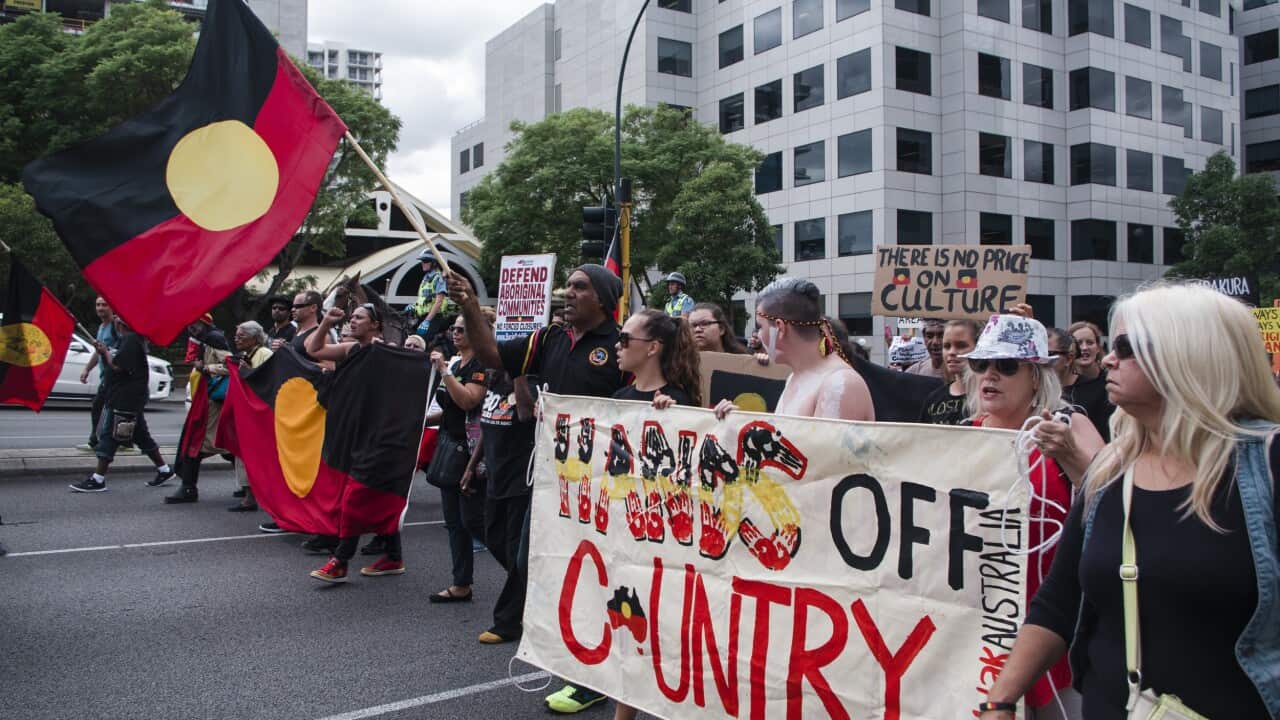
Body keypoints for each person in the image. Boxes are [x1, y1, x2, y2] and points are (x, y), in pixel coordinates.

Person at [976, 283, 1280, 720]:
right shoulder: (1111, 468)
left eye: (1126, 347)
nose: (1106, 359)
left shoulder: (1267, 465)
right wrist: (1000, 701)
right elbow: (1060, 600)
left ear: (1188, 354)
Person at [448, 263, 626, 715]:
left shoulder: (621, 345)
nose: (568, 292)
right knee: (533, 562)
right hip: (553, 478)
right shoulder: (549, 339)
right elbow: (491, 355)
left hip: (603, 485)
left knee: (593, 575)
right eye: (568, 285)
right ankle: (577, 654)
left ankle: (593, 676)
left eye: (579, 286)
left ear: (603, 299)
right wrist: (470, 305)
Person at [959, 314, 1104, 720]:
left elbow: (1110, 506)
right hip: (984, 622)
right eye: (981, 364)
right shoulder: (965, 434)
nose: (989, 375)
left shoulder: (1068, 425)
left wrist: (1070, 456)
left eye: (1006, 366)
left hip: (1056, 622)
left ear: (1037, 378)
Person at [608, 310, 701, 720]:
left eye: (625, 338)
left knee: (660, 635)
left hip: (662, 542)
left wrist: (673, 421)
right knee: (629, 631)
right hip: (624, 532)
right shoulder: (619, 398)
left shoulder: (679, 402)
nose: (618, 346)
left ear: (653, 348)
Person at [303, 304, 408, 581]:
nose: (352, 321)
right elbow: (313, 349)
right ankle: (394, 556)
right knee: (380, 499)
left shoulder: (387, 352)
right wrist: (326, 322)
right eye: (352, 317)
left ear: (375, 325)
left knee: (353, 499)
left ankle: (341, 560)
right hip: (354, 436)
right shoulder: (352, 350)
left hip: (381, 439)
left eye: (359, 317)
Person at [715, 277, 873, 422]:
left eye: (760, 326)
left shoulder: (840, 385)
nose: (758, 334)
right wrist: (738, 424)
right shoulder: (795, 376)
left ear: (780, 328)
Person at [69, 314, 176, 493]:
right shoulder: (129, 340)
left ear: (122, 323)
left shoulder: (131, 340)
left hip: (125, 398)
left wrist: (105, 353)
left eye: (118, 318)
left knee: (110, 434)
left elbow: (118, 366)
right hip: (127, 397)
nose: (115, 321)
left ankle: (98, 478)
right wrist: (104, 351)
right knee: (140, 435)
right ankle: (164, 470)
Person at [426, 313, 490, 603]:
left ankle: (520, 571)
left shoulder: (481, 366)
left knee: (474, 521)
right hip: (449, 446)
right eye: (453, 328)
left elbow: (467, 401)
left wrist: (444, 372)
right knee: (454, 522)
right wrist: (423, 420)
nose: (455, 332)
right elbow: (450, 408)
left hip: (471, 451)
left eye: (462, 329)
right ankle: (461, 582)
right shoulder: (455, 363)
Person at [164, 314, 231, 504]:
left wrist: (207, 368)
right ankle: (247, 485)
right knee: (223, 446)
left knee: (196, 444)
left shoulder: (214, 338)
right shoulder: (201, 339)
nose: (190, 328)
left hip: (212, 400)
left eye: (194, 323)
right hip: (205, 398)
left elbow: (230, 365)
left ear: (203, 323)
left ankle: (188, 487)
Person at [227, 321, 273, 513]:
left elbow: (267, 380)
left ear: (254, 338)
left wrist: (246, 371)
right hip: (247, 414)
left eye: (241, 336)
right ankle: (249, 495)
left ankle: (255, 497)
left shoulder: (265, 354)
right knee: (243, 453)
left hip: (259, 414)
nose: (237, 340)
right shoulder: (247, 355)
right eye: (236, 336)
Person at [77, 296, 126, 453]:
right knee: (120, 411)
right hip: (106, 376)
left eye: (104, 305)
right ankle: (125, 442)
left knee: (100, 407)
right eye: (98, 305)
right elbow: (98, 352)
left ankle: (95, 441)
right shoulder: (101, 327)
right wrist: (87, 369)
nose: (100, 308)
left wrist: (107, 351)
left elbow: (124, 348)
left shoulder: (116, 325)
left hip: (115, 377)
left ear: (111, 307)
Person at [918, 319, 980, 426]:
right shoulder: (933, 399)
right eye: (946, 346)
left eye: (961, 346)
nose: (951, 352)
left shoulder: (989, 398)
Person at [1068, 320, 1116, 440]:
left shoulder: (1112, 380)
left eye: (1090, 342)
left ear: (1098, 347)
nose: (1084, 348)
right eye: (1079, 343)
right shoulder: (1065, 386)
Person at [409, 250, 455, 346]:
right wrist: (413, 306)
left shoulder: (439, 278)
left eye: (425, 261)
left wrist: (427, 320)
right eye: (422, 261)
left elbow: (439, 302)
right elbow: (423, 300)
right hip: (422, 317)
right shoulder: (425, 279)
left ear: (434, 263)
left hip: (434, 318)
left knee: (419, 342)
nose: (422, 263)